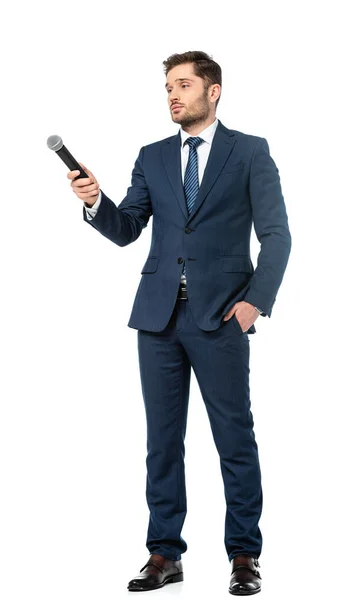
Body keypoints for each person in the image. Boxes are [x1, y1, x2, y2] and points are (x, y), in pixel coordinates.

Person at [68, 50, 291, 595]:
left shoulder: (250, 152)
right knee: (162, 441)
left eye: (184, 85)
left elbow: (278, 236)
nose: (173, 94)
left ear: (213, 91)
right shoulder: (153, 155)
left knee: (234, 438)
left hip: (221, 317)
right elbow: (127, 229)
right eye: (168, 86)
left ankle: (244, 555)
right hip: (158, 318)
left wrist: (253, 304)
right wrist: (97, 203)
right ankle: (164, 553)